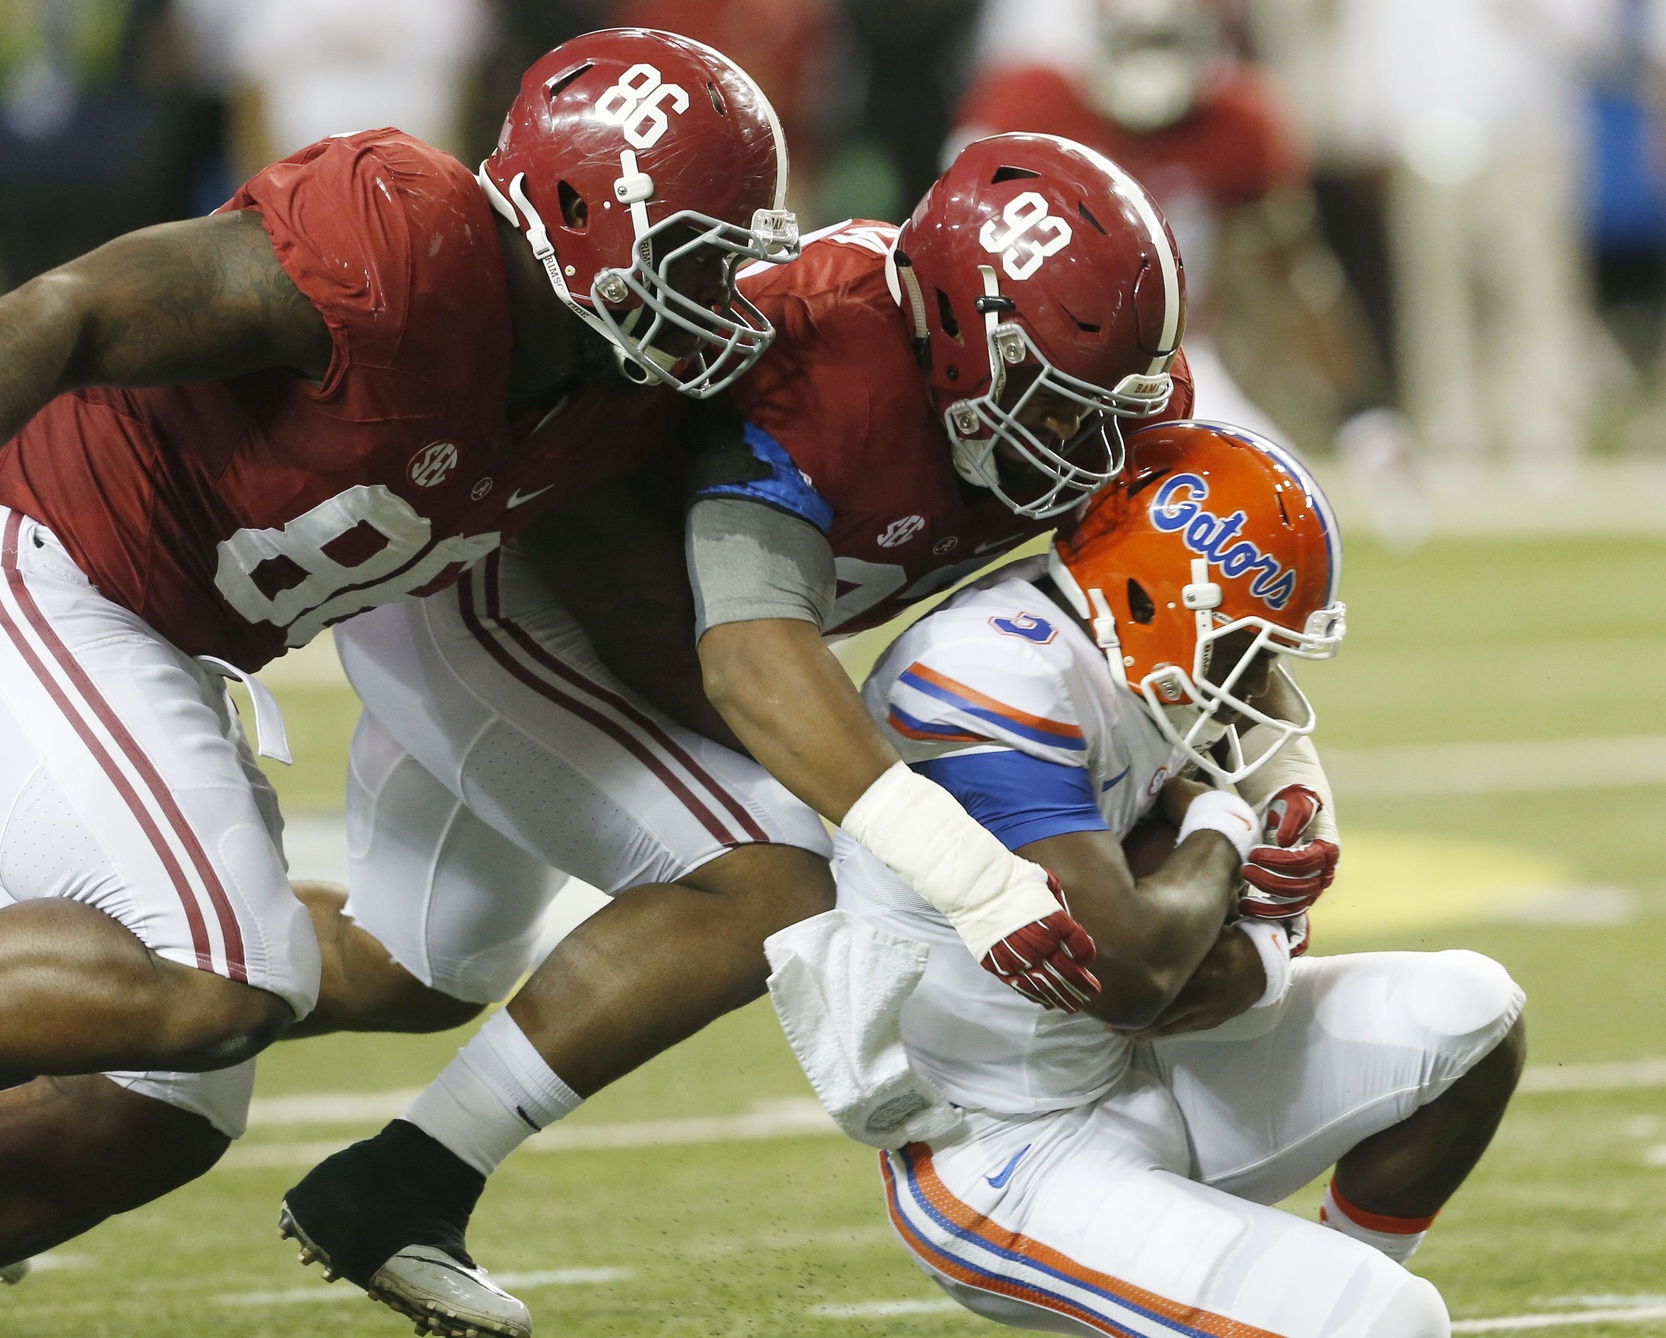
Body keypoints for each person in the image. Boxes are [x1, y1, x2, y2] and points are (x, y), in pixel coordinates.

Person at [273, 132, 1191, 1338]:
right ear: (959, 332)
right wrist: (968, 875)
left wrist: (1261, 784)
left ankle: (120, 986)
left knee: (414, 964)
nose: (1085, 449)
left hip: (628, 623)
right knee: (768, 879)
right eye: (1055, 403)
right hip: (509, 566)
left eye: (1106, 409)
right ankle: (400, 1185)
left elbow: (1204, 590)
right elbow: (744, 656)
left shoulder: (1093, 400)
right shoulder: (824, 355)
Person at [0, 25, 800, 1269]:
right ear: (578, 213)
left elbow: (650, 636)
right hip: (46, 566)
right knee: (217, 969)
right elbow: (67, 308)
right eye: (696, 261)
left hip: (156, 643)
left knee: (152, 1114)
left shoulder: (600, 397)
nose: (716, 305)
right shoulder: (402, 244)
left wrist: (865, 800)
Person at [767, 419, 1524, 1337]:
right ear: (1160, 597)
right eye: (1243, 643)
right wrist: (1227, 821)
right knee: (1391, 1325)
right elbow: (1130, 976)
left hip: (1141, 1074)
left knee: (1476, 1011)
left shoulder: (1116, 637)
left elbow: (1209, 955)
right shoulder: (986, 672)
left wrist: (1261, 923)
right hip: (1011, 1150)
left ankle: (1296, 1298)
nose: (1255, 679)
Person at [957, 0, 1380, 451]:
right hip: (1025, 349)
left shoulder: (1238, 123)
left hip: (1170, 361)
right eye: (1136, 42)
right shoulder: (1032, 102)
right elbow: (950, 242)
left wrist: (1360, 409)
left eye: (1164, 42)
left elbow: (1294, 279)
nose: (1149, 64)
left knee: (1257, 484)